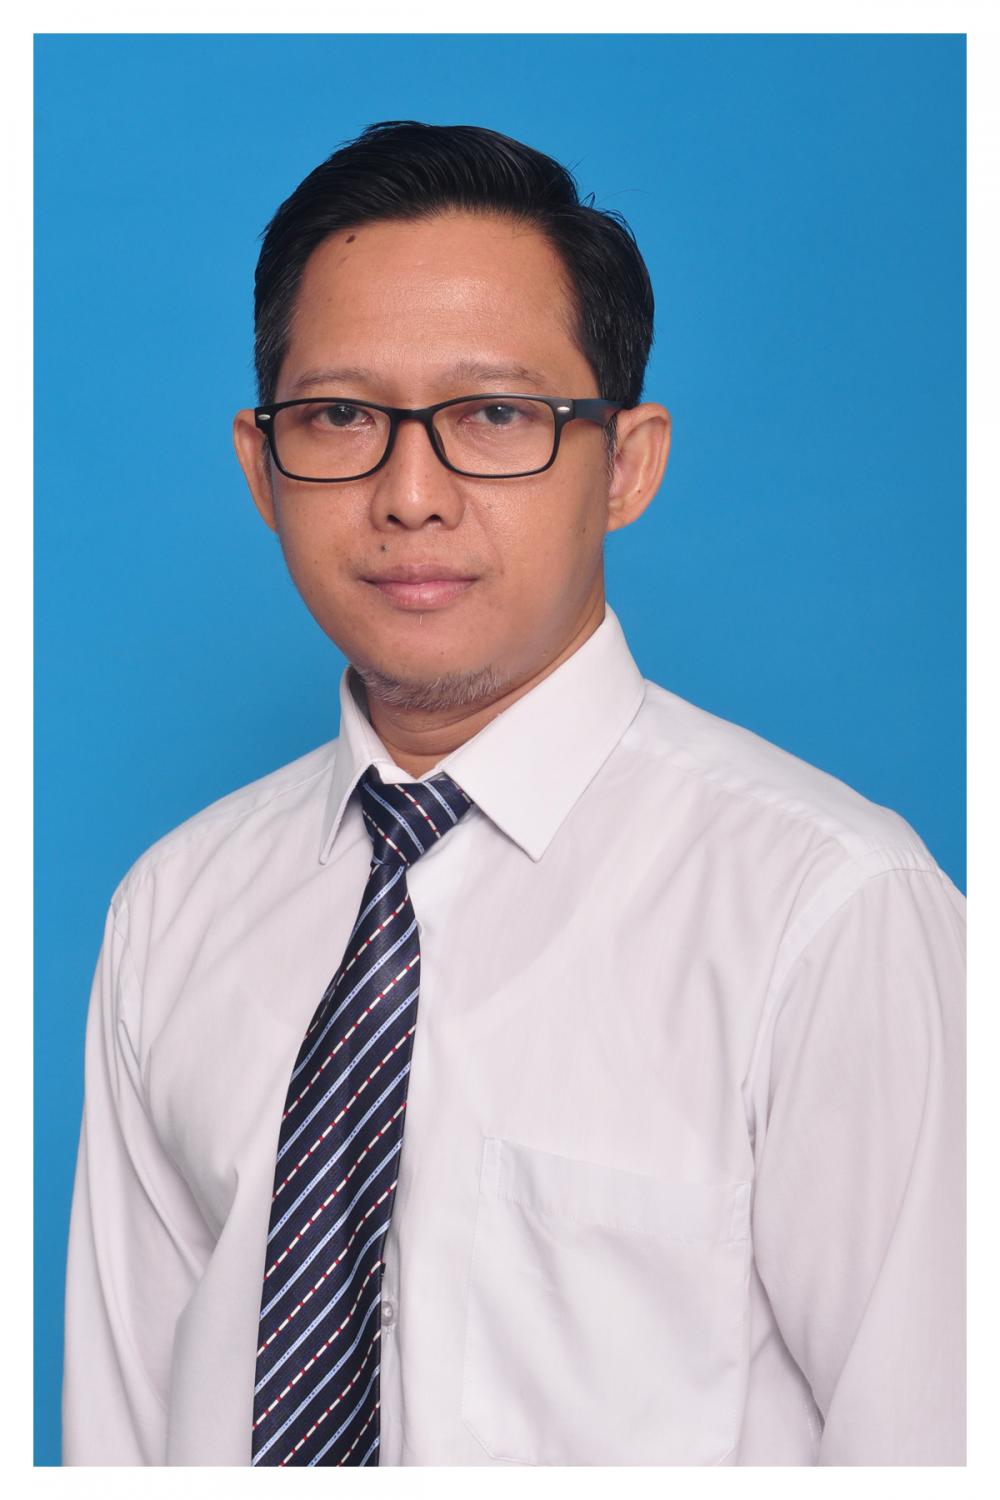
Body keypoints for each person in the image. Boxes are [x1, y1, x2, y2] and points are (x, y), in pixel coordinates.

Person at [61, 120, 965, 1467]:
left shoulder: (828, 913)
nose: (410, 495)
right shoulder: (173, 908)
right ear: (261, 466)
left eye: (494, 416)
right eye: (341, 417)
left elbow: (937, 1446)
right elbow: (125, 1438)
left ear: (628, 463)